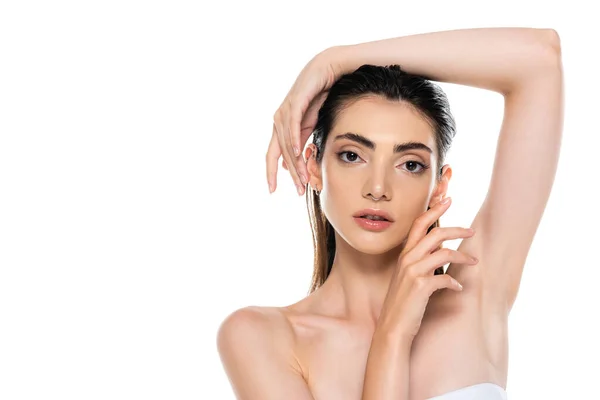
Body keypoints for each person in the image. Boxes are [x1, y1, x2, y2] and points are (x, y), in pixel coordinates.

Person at [217, 27, 563, 400]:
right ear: (314, 166)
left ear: (439, 186)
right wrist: (393, 336)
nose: (378, 188)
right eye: (352, 155)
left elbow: (539, 60)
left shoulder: (473, 299)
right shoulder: (260, 337)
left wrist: (336, 60)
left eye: (410, 164)